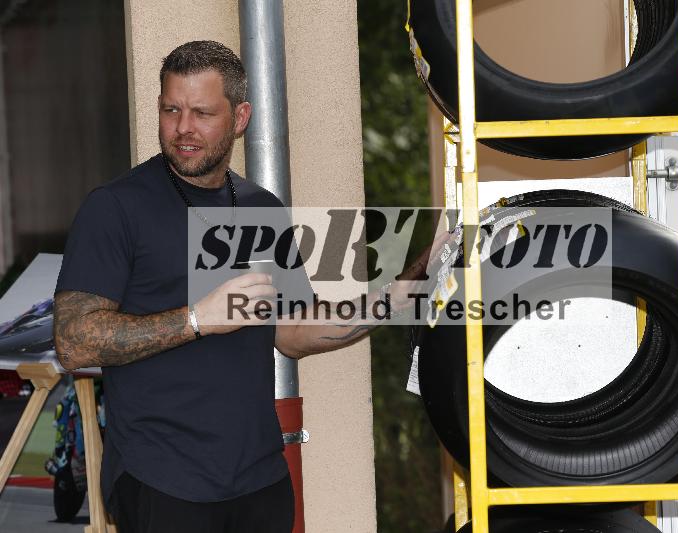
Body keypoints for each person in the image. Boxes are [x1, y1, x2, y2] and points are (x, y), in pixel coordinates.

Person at [53, 41, 436, 533]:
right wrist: (197, 319)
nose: (183, 128)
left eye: (202, 113)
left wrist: (397, 296)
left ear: (240, 118)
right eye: (171, 110)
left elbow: (293, 331)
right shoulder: (115, 207)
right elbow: (73, 342)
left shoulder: (261, 207)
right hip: (162, 480)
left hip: (260, 480)